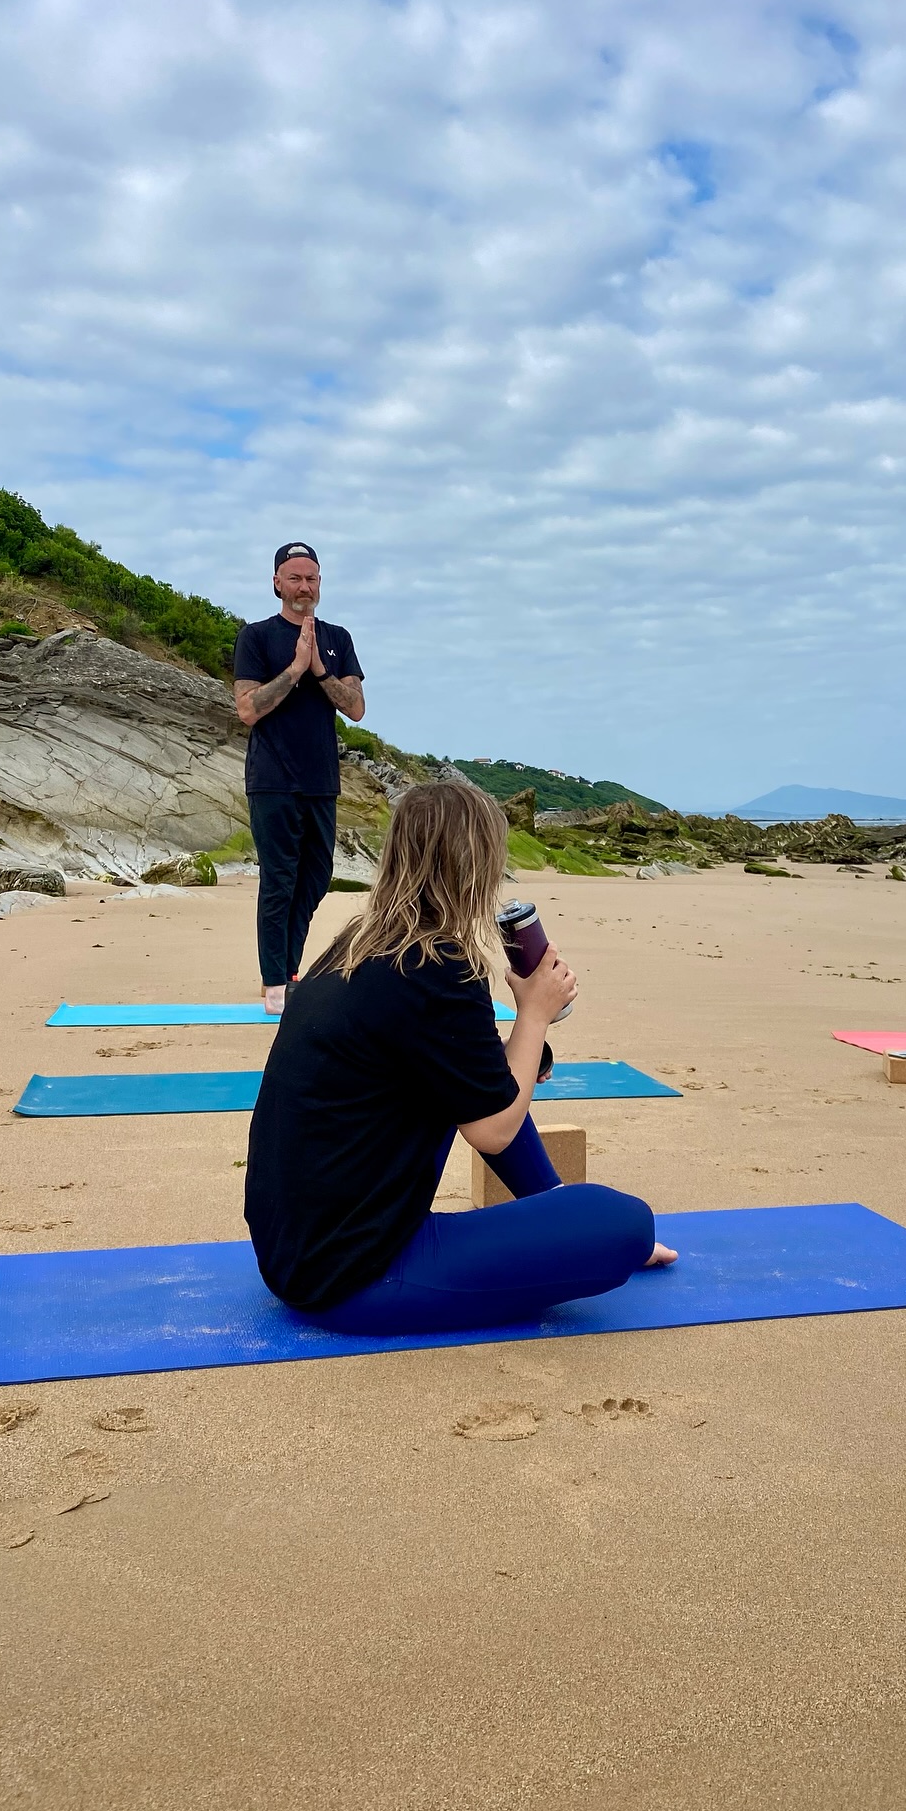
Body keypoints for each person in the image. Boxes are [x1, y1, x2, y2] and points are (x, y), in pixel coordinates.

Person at [244, 780, 678, 1334]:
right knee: (627, 1224)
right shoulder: (437, 965)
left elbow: (477, 1084)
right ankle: (575, 1219)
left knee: (490, 1087)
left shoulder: (357, 945)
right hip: (357, 1276)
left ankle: (555, 1202)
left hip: (292, 1253)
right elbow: (493, 1131)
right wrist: (534, 1013)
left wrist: (555, 1212)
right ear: (479, 868)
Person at [233, 543, 365, 1014]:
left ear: (319, 583)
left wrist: (320, 669)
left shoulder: (337, 638)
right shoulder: (256, 637)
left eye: (311, 578)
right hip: (272, 778)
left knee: (315, 878)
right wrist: (294, 669)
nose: (304, 586)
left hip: (321, 780)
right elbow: (247, 709)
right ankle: (275, 982)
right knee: (279, 880)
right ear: (277, 583)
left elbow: (356, 708)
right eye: (294, 578)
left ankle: (288, 971)